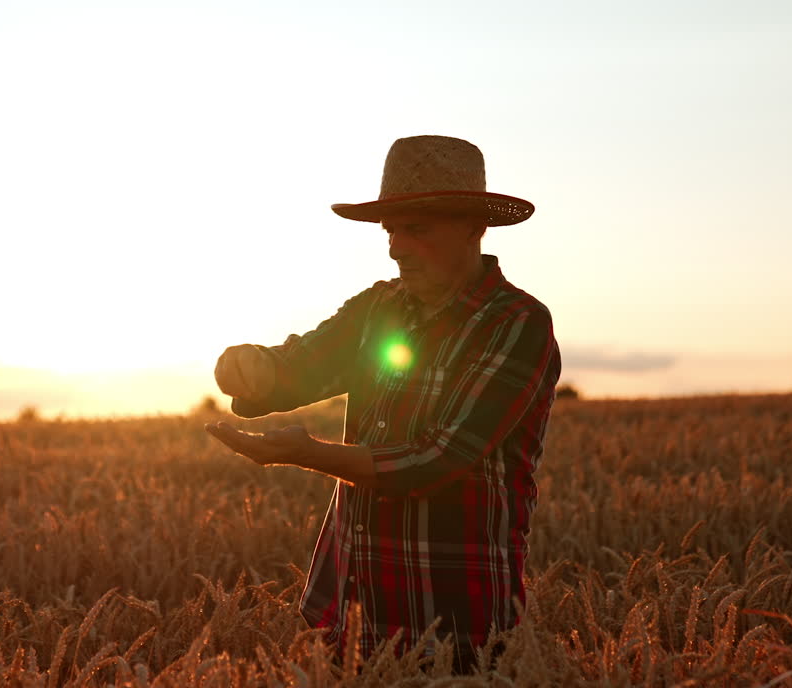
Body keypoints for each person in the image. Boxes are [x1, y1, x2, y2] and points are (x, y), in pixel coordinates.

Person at [204, 135, 562, 673]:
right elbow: (296, 367)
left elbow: (436, 458)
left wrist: (305, 453)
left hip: (452, 621)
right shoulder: (379, 307)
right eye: (390, 230)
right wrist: (250, 368)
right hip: (350, 610)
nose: (396, 247)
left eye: (416, 229)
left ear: (472, 226)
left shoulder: (516, 324)